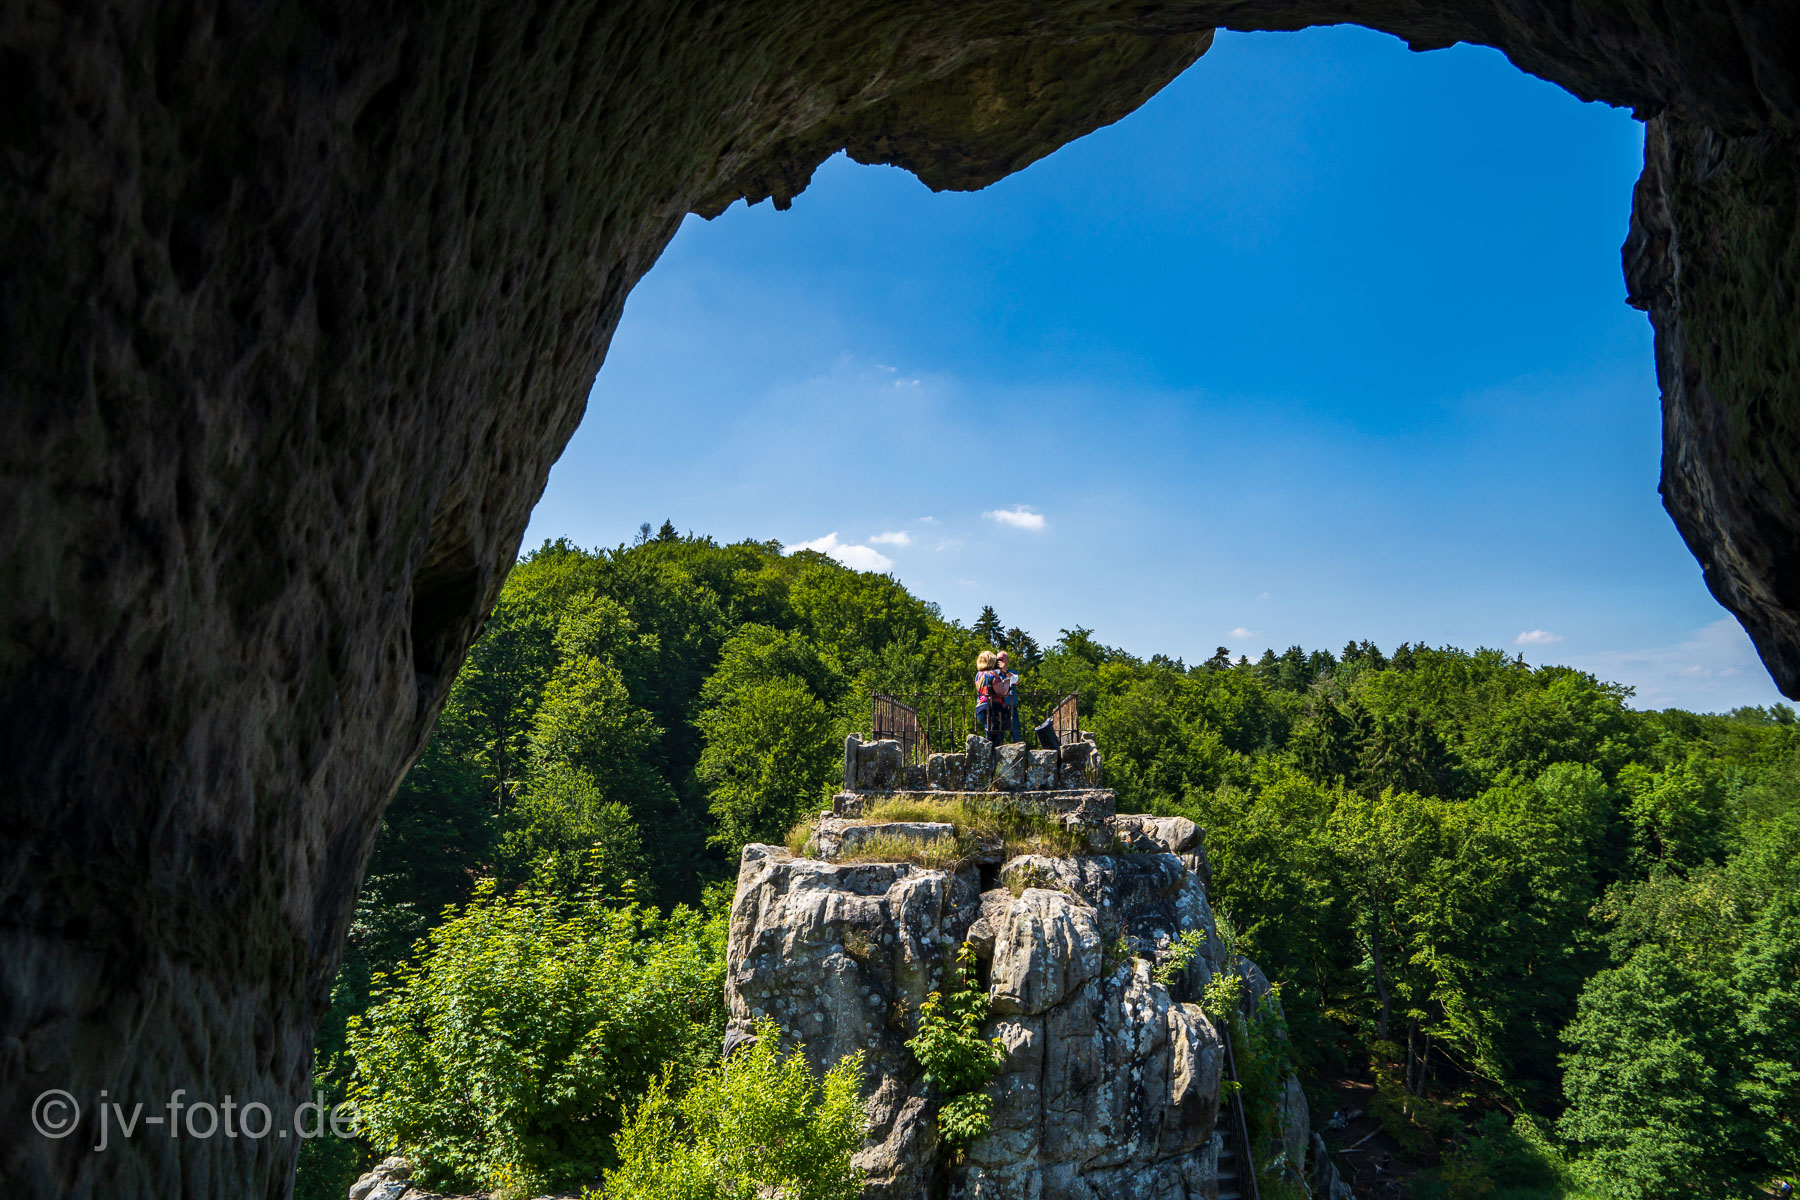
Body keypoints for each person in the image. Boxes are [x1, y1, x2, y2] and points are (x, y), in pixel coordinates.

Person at [974, 650, 1009, 745]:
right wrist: (1006, 682)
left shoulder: (978, 675)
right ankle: (994, 757)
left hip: (981, 707)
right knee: (996, 737)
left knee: (989, 733)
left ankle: (989, 756)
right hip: (993, 708)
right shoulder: (993, 674)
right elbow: (1002, 692)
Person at [996, 650, 1022, 741]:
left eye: (1001, 659)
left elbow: (1015, 681)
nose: (999, 661)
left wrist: (1005, 671)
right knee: (998, 733)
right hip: (998, 706)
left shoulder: (1012, 672)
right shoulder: (994, 673)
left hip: (1011, 706)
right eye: (997, 659)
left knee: (1015, 732)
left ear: (1007, 660)